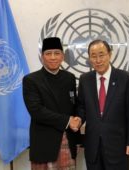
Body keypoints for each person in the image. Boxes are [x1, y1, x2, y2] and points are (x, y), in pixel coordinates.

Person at [76, 39, 129, 170]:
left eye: (101, 54)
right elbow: (81, 106)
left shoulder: (125, 78)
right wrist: (79, 119)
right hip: (93, 147)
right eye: (93, 56)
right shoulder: (85, 79)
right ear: (89, 58)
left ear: (110, 54)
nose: (98, 60)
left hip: (117, 146)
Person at [23, 37, 81, 170]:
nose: (53, 57)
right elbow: (36, 111)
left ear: (62, 56)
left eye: (57, 53)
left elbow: (74, 104)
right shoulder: (31, 80)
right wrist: (68, 121)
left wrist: (78, 119)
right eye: (48, 54)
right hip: (44, 143)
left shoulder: (69, 78)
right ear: (42, 57)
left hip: (68, 140)